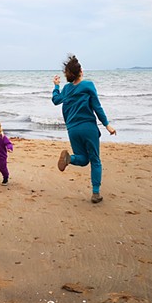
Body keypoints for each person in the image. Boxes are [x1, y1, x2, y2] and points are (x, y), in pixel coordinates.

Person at [52, 55, 116, 203]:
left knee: (82, 159)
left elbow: (56, 101)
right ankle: (95, 193)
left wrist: (56, 86)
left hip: (72, 129)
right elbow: (97, 107)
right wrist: (107, 125)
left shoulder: (66, 89)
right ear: (80, 71)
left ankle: (69, 159)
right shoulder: (88, 85)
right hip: (88, 128)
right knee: (94, 160)